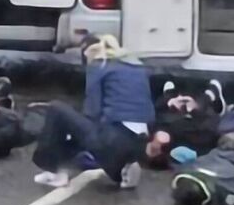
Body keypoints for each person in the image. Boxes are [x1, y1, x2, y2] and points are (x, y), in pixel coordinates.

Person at [31, 36, 154, 189]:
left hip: (114, 139)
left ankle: (53, 170)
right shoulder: (137, 67)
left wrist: (69, 132)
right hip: (139, 141)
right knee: (89, 134)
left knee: (56, 109)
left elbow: (92, 111)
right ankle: (122, 167)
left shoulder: (99, 65)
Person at [146, 78, 229, 166]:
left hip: (179, 139)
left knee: (163, 122)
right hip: (199, 139)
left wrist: (170, 103)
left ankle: (170, 98)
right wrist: (195, 108)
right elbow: (212, 129)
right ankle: (209, 97)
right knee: (202, 124)